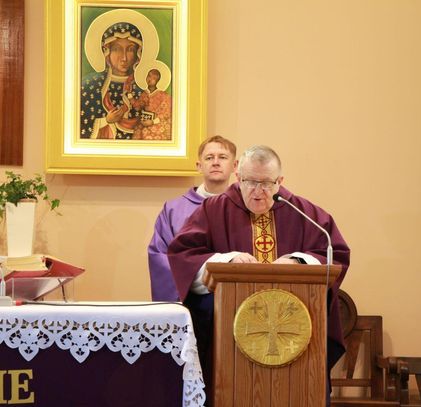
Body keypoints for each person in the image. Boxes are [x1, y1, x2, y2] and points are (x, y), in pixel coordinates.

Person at [168, 145, 350, 405]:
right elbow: (183, 255)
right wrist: (226, 261)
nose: (258, 191)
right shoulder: (213, 211)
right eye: (251, 182)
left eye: (266, 183)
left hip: (295, 338)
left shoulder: (305, 213)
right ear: (238, 177)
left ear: (280, 181)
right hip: (228, 342)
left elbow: (335, 253)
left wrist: (299, 261)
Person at [148, 136, 237, 301]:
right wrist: (196, 279)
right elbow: (161, 256)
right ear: (199, 166)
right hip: (190, 300)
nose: (215, 162)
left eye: (223, 157)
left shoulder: (243, 208)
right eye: (209, 158)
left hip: (234, 297)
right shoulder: (173, 210)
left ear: (235, 166)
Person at [80, 22, 144, 140]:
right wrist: (106, 120)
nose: (124, 58)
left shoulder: (142, 88)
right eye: (116, 49)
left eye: (130, 49)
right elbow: (77, 126)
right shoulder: (90, 85)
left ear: (138, 53)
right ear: (106, 52)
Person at [132, 68, 173, 140]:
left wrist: (153, 121)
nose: (150, 79)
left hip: (158, 123)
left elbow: (167, 113)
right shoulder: (144, 94)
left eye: (154, 78)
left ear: (157, 81)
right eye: (149, 76)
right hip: (145, 122)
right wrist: (130, 97)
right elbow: (137, 107)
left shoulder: (163, 95)